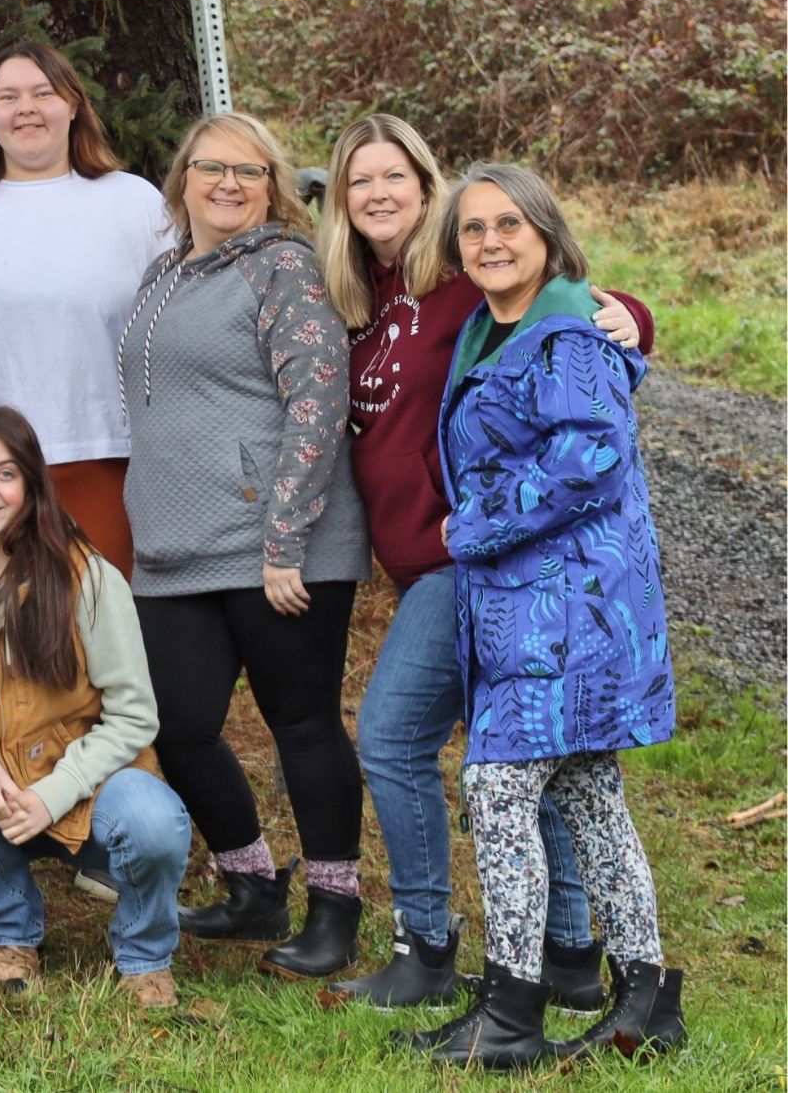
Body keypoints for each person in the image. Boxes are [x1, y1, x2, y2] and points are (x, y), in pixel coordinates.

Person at [316, 115, 653, 1009]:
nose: (378, 194)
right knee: (536, 758)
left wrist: (631, 315)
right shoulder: (364, 299)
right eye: (359, 181)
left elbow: (576, 308)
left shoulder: (468, 281)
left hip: (468, 561)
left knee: (394, 738)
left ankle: (430, 949)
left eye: (396, 177)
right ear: (341, 202)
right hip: (434, 563)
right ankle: (575, 956)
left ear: (430, 191)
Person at [394, 164, 682, 1069]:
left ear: (547, 233)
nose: (488, 242)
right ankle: (648, 1000)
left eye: (507, 224)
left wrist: (468, 525)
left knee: (498, 788)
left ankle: (510, 1010)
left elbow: (590, 458)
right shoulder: (489, 326)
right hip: (528, 605)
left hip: (574, 608)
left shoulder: (568, 336)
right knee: (592, 796)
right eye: (472, 229)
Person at [116, 113, 372, 978]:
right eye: (213, 168)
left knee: (300, 723)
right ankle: (252, 884)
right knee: (175, 724)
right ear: (182, 176)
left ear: (273, 190)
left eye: (251, 172)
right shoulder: (162, 274)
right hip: (174, 546)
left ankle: (336, 909)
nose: (229, 184)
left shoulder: (284, 269)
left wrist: (285, 538)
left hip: (276, 545)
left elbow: (316, 403)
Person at [0, 406, 190, 1004]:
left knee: (156, 823)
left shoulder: (88, 578)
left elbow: (134, 714)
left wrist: (55, 793)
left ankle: (145, 952)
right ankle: (12, 929)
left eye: (5, 474)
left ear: (30, 486)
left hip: (90, 794)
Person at [0, 42, 171, 577]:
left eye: (42, 93)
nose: (26, 108)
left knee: (104, 637)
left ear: (73, 106)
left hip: (111, 462)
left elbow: (179, 342)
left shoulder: (137, 203)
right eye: (8, 96)